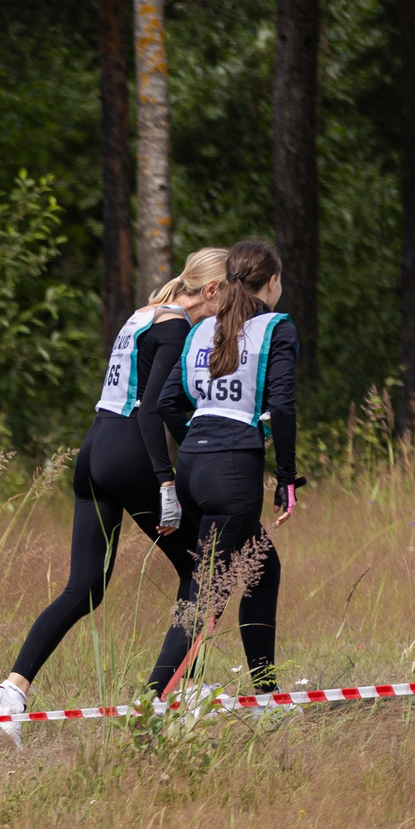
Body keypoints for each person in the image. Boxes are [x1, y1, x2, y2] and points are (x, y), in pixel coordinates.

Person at [0, 248, 227, 746]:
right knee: (208, 569)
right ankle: (175, 693)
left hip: (94, 449)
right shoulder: (176, 326)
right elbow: (154, 408)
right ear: (213, 291)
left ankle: (12, 690)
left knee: (85, 586)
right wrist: (168, 480)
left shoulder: (144, 313)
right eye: (229, 298)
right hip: (131, 451)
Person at [148, 239, 304, 694]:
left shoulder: (200, 330)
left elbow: (166, 403)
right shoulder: (276, 327)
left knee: (262, 568)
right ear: (271, 282)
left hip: (194, 467)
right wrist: (288, 479)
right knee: (205, 597)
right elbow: (284, 408)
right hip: (232, 473)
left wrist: (200, 439)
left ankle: (267, 692)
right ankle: (149, 702)